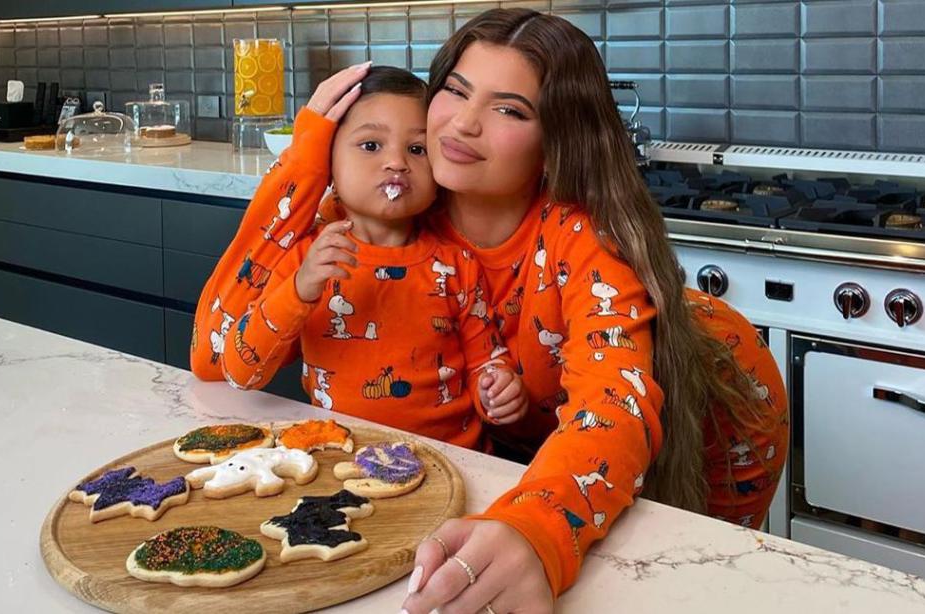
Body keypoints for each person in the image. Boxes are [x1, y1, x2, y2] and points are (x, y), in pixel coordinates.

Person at [195, 10, 788, 614]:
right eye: (455, 91)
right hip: (519, 450)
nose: (464, 123)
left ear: (556, 143)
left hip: (721, 412)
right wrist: (306, 158)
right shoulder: (387, 214)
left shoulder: (582, 238)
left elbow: (611, 404)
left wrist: (538, 528)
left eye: (510, 110)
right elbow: (214, 353)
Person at [191, 65, 528, 450]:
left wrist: (497, 389)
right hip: (341, 456)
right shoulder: (306, 261)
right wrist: (299, 291)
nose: (397, 162)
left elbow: (486, 360)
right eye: (371, 146)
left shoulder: (457, 264)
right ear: (329, 164)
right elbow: (240, 372)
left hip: (454, 459)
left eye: (417, 149)